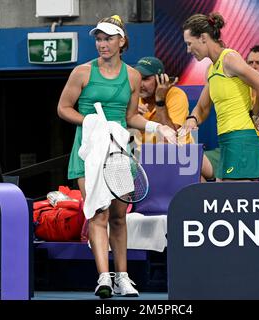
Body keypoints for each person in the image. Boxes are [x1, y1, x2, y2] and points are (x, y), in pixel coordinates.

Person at [56, 15, 176, 299]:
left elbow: (130, 116)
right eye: (98, 38)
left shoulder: (133, 76)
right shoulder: (82, 72)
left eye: (108, 38)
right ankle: (103, 279)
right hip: (88, 151)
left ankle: (123, 278)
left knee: (119, 216)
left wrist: (158, 126)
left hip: (119, 152)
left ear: (122, 41)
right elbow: (63, 108)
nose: (102, 44)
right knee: (98, 214)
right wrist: (89, 122)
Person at [179, 12, 259, 181]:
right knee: (231, 201)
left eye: (189, 44)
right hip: (227, 140)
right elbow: (202, 107)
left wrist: (254, 114)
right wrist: (192, 119)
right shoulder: (212, 70)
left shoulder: (229, 58)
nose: (188, 50)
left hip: (241, 140)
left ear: (203, 38)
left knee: (236, 202)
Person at [133, 56, 215, 181]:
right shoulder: (131, 97)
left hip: (179, 154)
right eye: (138, 78)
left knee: (203, 180)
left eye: (145, 79)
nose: (140, 84)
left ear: (160, 79)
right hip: (145, 158)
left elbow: (170, 137)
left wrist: (160, 101)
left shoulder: (176, 95)